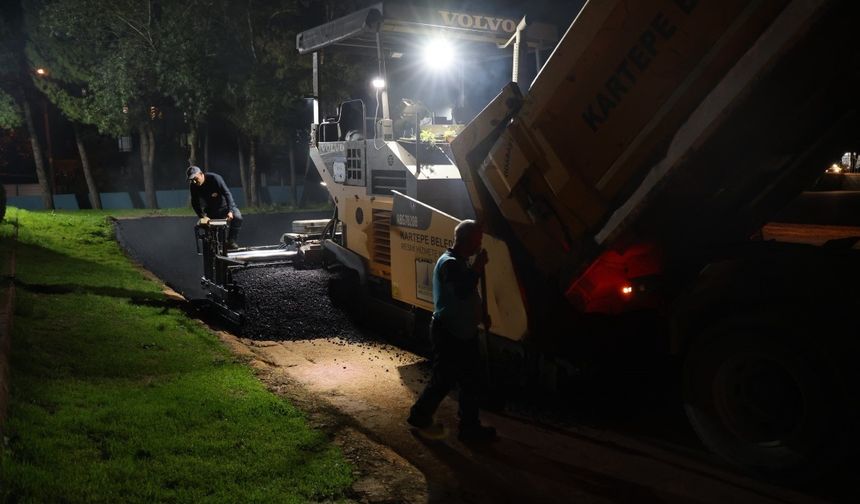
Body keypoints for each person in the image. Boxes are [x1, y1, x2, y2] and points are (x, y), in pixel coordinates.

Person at [407, 219, 497, 442]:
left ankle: (469, 427)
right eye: (478, 240)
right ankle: (420, 416)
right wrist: (478, 266)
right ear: (468, 241)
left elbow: (469, 294)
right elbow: (462, 290)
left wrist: (480, 314)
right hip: (449, 332)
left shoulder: (461, 262)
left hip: (463, 331)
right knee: (444, 380)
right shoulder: (449, 263)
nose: (480, 244)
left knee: (469, 381)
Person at [187, 165, 242, 249]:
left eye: (195, 179)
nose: (194, 182)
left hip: (225, 207)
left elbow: (227, 194)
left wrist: (230, 211)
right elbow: (195, 203)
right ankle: (214, 248)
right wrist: (202, 216)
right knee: (211, 231)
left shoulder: (215, 178)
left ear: (201, 174)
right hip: (211, 211)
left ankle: (231, 241)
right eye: (191, 180)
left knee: (237, 217)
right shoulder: (193, 186)